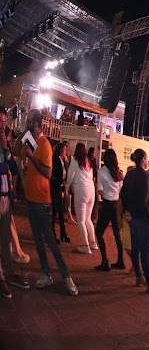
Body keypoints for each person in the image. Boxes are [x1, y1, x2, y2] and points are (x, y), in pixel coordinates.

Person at [19, 108, 77, 295]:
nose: (26, 123)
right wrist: (21, 135)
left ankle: (67, 277)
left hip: (42, 203)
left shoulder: (43, 145)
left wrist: (31, 157)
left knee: (51, 242)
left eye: (28, 121)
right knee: (37, 241)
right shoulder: (30, 141)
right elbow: (14, 151)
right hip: (31, 200)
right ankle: (46, 274)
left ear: (35, 124)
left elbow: (47, 172)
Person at [120, 148, 149, 294]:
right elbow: (144, 200)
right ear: (143, 159)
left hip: (132, 219)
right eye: (146, 158)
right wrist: (133, 214)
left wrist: (127, 212)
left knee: (135, 249)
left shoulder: (129, 174)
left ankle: (139, 277)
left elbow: (123, 194)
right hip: (143, 218)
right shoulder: (145, 177)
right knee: (144, 252)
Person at [0, 110, 30, 297]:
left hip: (5, 198)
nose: (2, 125)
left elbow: (13, 169)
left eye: (3, 122)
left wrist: (6, 150)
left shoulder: (5, 144)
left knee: (5, 241)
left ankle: (9, 273)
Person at [94, 149, 125, 272]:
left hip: (107, 204)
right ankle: (121, 260)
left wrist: (101, 189)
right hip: (117, 205)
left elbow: (100, 191)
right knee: (117, 234)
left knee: (99, 232)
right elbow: (121, 190)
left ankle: (105, 261)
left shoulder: (101, 171)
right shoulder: (119, 172)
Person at [65, 143, 98, 254]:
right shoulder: (88, 161)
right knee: (88, 219)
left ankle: (86, 245)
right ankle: (93, 243)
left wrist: (67, 186)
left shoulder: (75, 162)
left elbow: (70, 176)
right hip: (91, 190)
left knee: (81, 220)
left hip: (81, 190)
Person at [51, 141, 70, 244]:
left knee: (61, 212)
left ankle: (63, 233)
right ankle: (52, 234)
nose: (66, 152)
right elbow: (55, 174)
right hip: (55, 188)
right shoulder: (55, 159)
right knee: (54, 212)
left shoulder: (62, 161)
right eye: (65, 150)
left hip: (59, 188)